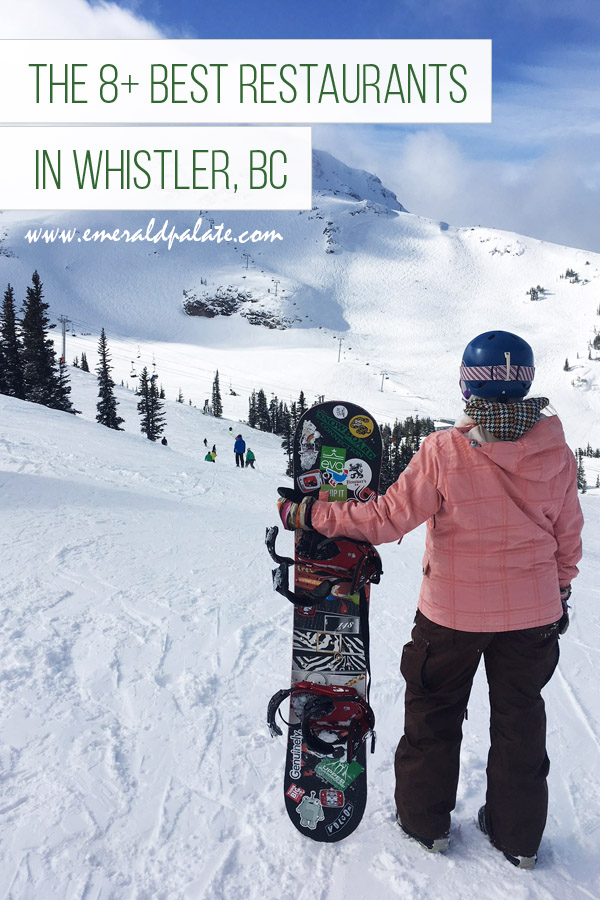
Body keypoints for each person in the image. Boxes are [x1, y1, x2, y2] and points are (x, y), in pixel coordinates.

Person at [277, 331, 583, 869]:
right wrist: (559, 591)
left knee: (434, 710)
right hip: (533, 615)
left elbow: (385, 519)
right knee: (520, 720)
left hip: (452, 616)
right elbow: (567, 537)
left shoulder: (444, 450)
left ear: (468, 383)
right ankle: (518, 838)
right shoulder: (556, 452)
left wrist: (312, 515)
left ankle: (425, 824)